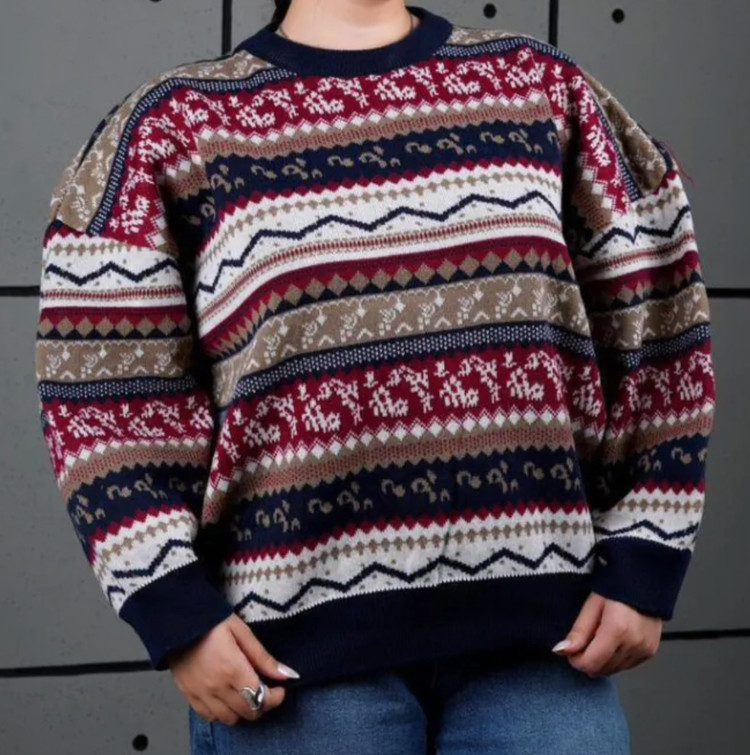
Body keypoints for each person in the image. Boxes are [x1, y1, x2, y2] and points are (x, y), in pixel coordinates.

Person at [34, 1, 716, 752]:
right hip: (293, 664)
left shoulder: (538, 87)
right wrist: (175, 609)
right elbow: (101, 389)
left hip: (543, 644)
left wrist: (647, 548)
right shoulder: (174, 126)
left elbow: (658, 312)